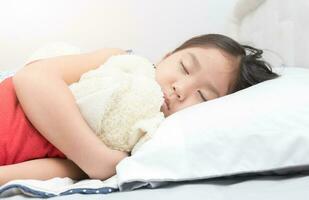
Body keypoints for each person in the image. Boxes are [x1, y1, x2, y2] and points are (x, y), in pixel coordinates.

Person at [0, 34, 278, 185]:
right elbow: (32, 78)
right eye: (184, 67)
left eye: (203, 96)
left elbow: (70, 167)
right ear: (167, 57)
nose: (181, 88)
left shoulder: (142, 140)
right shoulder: (117, 61)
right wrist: (99, 161)